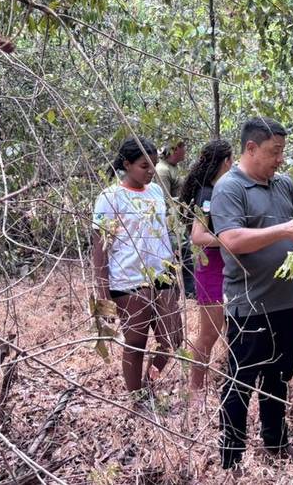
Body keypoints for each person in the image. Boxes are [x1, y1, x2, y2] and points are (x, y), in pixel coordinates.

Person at [211, 117, 293, 471]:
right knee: (240, 381)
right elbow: (231, 240)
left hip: (287, 304)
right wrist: (285, 229)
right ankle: (231, 457)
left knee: (279, 376)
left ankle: (276, 441)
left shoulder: (282, 184)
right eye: (274, 152)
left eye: (282, 151)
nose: (280, 159)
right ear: (250, 148)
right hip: (249, 307)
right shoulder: (229, 188)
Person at [91, 136, 183, 399]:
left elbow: (163, 233)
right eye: (145, 166)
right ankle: (136, 398)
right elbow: (100, 248)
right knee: (135, 345)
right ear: (127, 164)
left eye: (154, 165)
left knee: (172, 339)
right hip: (129, 281)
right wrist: (102, 294)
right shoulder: (110, 198)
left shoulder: (155, 192)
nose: (151, 171)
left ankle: (149, 383)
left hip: (162, 276)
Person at [179, 139, 234, 400]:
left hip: (225, 267)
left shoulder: (218, 191)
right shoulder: (207, 195)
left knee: (228, 328)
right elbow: (197, 236)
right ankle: (195, 389)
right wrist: (230, 240)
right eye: (231, 160)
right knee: (209, 332)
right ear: (226, 162)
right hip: (210, 267)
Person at [155, 138, 196, 298]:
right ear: (175, 149)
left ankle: (189, 290)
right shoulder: (162, 170)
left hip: (179, 218)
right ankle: (178, 291)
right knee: (179, 253)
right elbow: (165, 200)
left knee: (186, 254)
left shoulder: (173, 168)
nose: (185, 151)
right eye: (183, 148)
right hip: (170, 220)